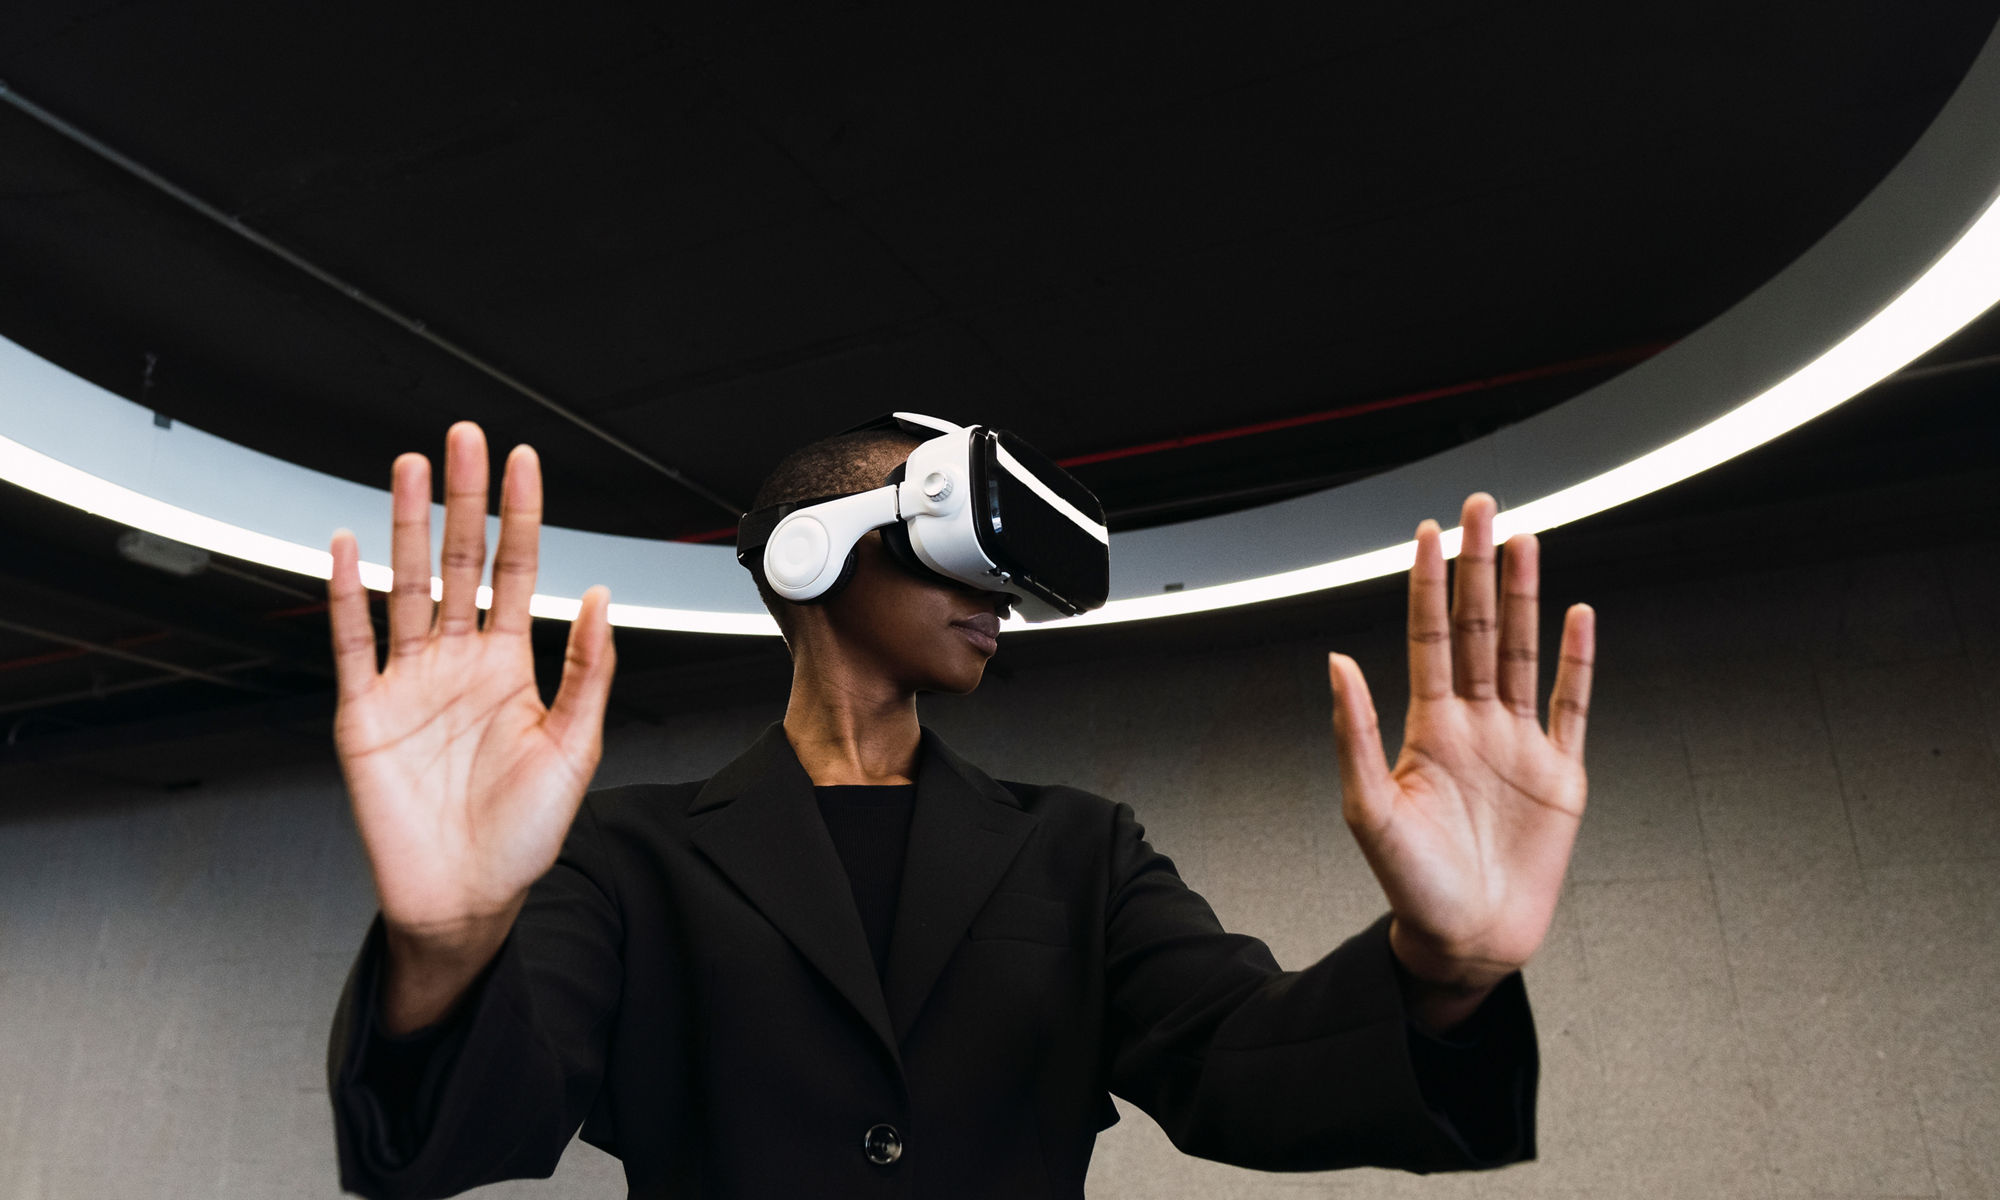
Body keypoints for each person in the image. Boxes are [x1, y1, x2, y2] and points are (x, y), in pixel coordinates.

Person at [324, 419, 1595, 1199]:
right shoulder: (627, 855)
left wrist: (1442, 974)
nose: (998, 599)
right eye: (957, 550)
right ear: (812, 554)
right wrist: (445, 949)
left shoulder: (1077, 851)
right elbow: (460, 1133)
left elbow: (1239, 1068)